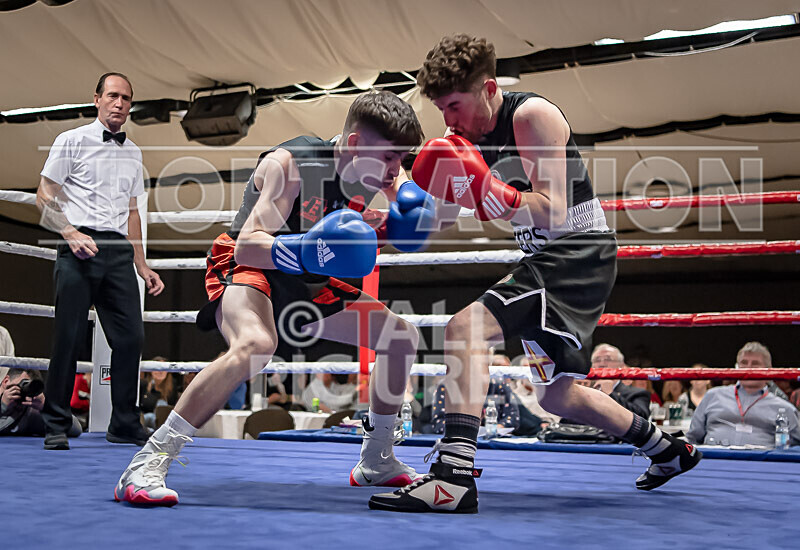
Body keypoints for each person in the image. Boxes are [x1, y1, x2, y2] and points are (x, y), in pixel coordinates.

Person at [369, 35, 701, 514]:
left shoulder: (532, 117)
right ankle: (668, 449)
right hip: (545, 259)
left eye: (455, 105)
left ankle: (452, 479)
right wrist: (395, 225)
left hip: (575, 253)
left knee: (466, 327)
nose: (449, 120)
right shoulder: (464, 140)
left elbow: (551, 210)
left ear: (487, 88)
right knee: (557, 396)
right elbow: (445, 215)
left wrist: (488, 191)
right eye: (442, 108)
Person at [115, 91, 431, 506]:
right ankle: (147, 462)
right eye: (390, 157)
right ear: (355, 144)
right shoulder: (291, 164)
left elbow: (381, 227)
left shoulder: (383, 169)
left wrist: (399, 223)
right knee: (256, 346)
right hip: (251, 265)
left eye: (401, 158)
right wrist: (311, 248)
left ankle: (377, 460)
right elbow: (250, 244)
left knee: (400, 338)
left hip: (306, 279)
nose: (396, 170)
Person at [36, 73, 164, 451]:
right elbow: (44, 196)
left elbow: (133, 213)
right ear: (96, 99)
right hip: (77, 246)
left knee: (132, 337)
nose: (119, 103)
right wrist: (69, 233)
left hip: (118, 254)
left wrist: (142, 264)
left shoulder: (134, 153)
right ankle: (56, 422)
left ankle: (124, 421)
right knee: (69, 336)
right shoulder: (71, 140)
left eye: (126, 97)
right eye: (112, 95)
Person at [686, 342, 800, 447]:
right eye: (744, 363)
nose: (748, 368)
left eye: (755, 364)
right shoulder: (713, 396)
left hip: (761, 465)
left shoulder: (784, 409)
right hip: (712, 462)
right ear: (737, 367)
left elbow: (795, 448)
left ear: (768, 370)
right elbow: (693, 439)